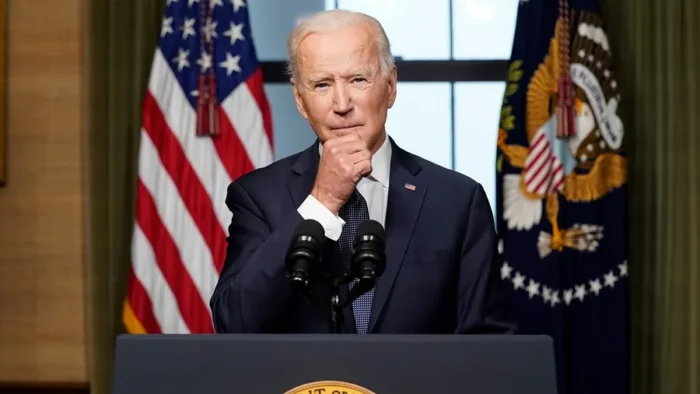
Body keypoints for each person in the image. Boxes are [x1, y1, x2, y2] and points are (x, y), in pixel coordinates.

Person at [209, 9, 515, 335]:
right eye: (322, 84)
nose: (342, 104)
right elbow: (234, 321)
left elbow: (488, 344)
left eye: (358, 79)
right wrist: (322, 201)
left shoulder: (457, 201)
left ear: (391, 86)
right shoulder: (257, 196)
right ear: (300, 101)